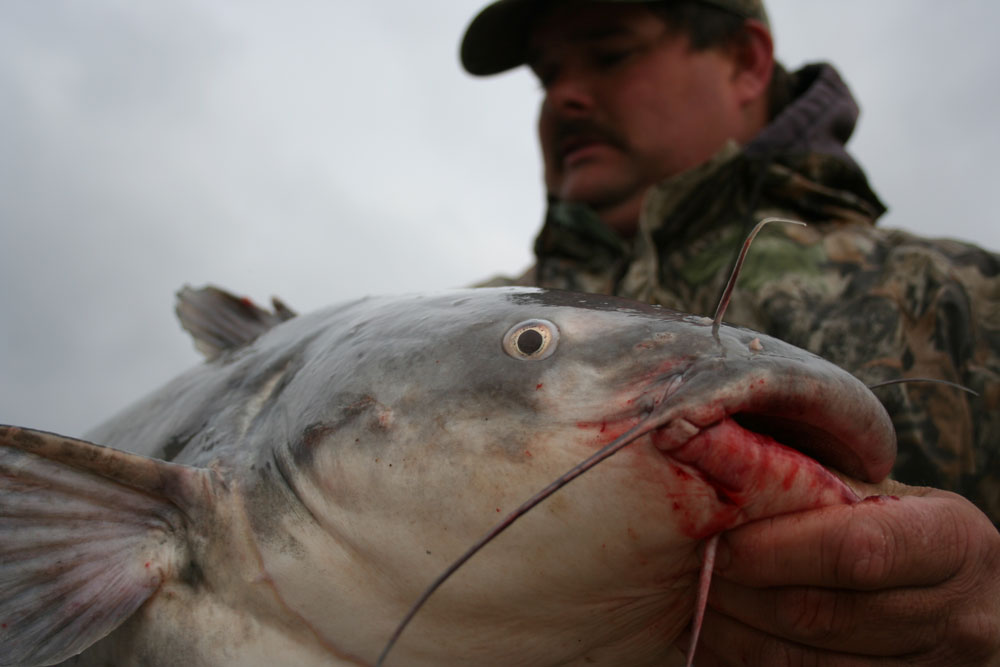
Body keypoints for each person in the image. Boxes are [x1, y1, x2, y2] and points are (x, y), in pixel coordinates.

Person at [460, 0, 1000, 664]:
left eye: (611, 53)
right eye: (546, 77)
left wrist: (989, 616)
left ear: (745, 63)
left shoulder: (970, 298)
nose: (563, 99)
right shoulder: (462, 324)